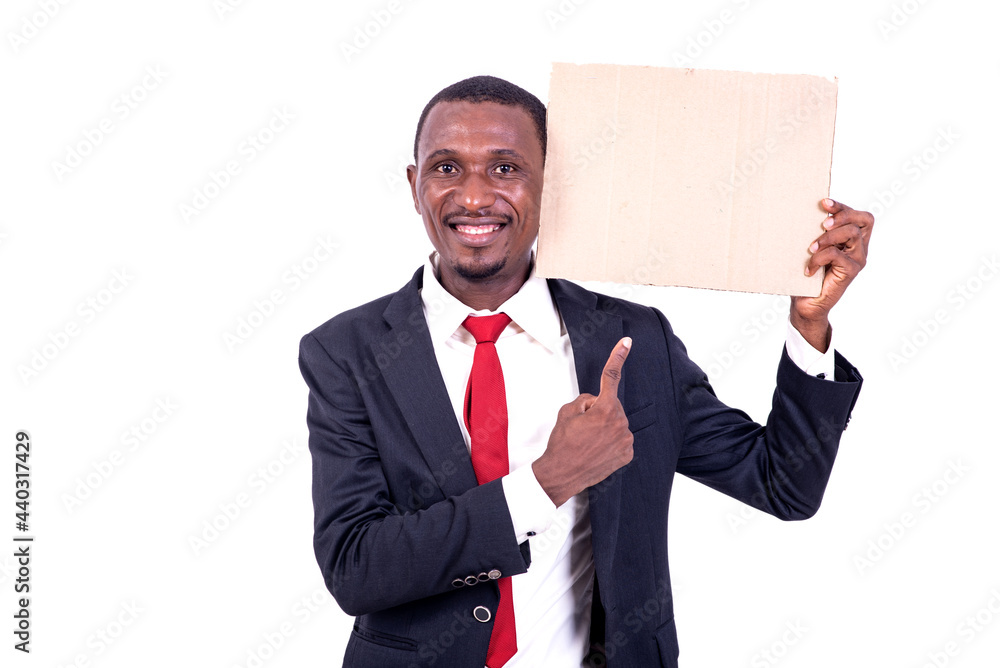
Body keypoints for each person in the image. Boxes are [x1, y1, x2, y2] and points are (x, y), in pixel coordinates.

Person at [299, 75, 872, 668]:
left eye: (505, 169)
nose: (473, 197)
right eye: (446, 168)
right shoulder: (347, 353)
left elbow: (785, 485)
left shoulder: (633, 341)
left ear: (553, 185)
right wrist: (547, 480)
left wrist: (810, 325)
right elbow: (355, 568)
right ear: (414, 186)